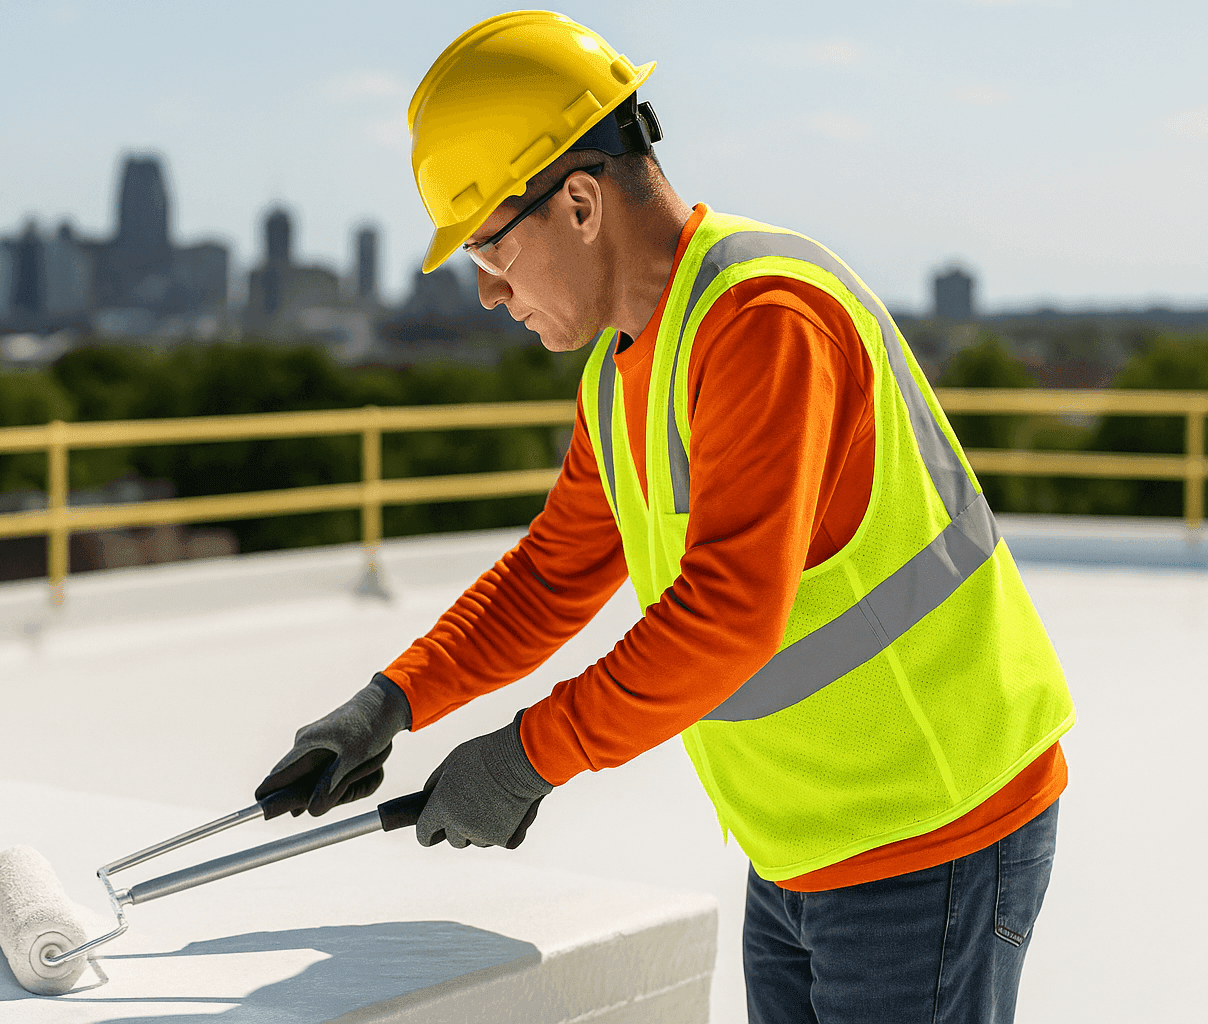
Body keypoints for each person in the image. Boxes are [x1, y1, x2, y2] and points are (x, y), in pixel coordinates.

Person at [256, 11, 1075, 1023]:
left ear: (583, 204)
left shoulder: (765, 319)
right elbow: (552, 575)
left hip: (931, 834)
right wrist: (389, 701)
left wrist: (526, 756)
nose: (485, 292)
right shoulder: (622, 370)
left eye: (490, 249)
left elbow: (729, 612)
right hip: (801, 841)